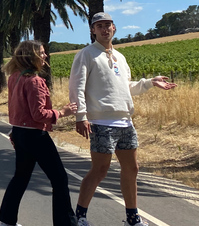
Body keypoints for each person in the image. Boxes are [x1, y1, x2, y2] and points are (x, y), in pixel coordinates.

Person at [70, 12, 177, 226]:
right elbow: (77, 87)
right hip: (101, 122)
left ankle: (132, 218)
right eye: (99, 26)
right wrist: (81, 116)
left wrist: (150, 82)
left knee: (132, 168)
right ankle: (80, 216)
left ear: (114, 28)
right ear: (92, 30)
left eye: (108, 25)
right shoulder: (86, 54)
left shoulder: (120, 57)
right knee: (100, 170)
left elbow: (127, 87)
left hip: (126, 121)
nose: (104, 29)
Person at [0, 41, 78, 226]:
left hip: (20, 134)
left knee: (20, 177)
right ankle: (66, 223)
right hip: (36, 136)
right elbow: (39, 115)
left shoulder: (14, 77)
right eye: (41, 53)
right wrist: (62, 112)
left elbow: (15, 108)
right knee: (59, 179)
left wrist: (15, 130)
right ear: (31, 56)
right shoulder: (35, 81)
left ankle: (7, 221)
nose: (45, 56)